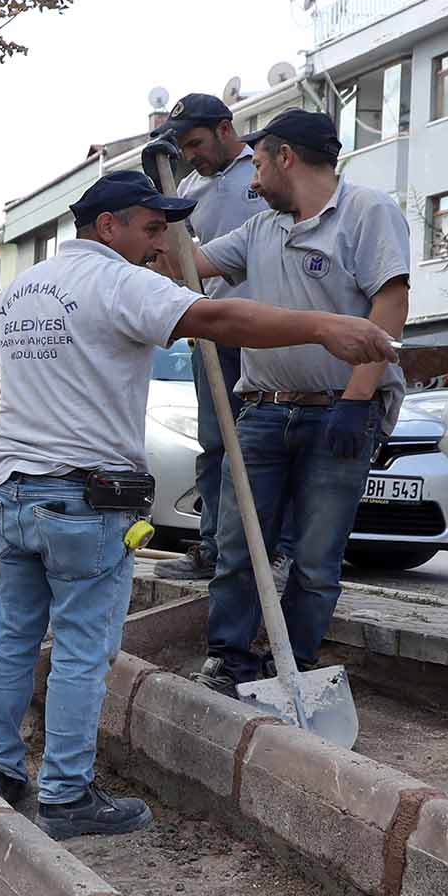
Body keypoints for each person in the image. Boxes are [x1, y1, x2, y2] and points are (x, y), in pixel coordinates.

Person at [0, 169, 400, 838]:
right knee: (83, 648)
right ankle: (67, 795)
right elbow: (218, 317)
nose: (159, 243)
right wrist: (323, 327)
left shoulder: (19, 292)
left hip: (17, 493)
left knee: (15, 635)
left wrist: (13, 448)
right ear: (107, 226)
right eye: (148, 227)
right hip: (85, 498)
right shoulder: (117, 282)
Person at [186, 107, 413, 698]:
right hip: (262, 411)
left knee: (315, 560)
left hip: (337, 413)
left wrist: (358, 400)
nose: (253, 180)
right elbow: (192, 266)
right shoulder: (261, 229)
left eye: (258, 164)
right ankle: (230, 661)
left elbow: (388, 306)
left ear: (286, 157)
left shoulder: (367, 212)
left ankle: (297, 667)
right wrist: (159, 218)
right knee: (239, 548)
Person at [145, 93, 264, 585]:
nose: (191, 155)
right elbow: (178, 263)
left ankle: (268, 552)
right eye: (183, 148)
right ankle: (213, 549)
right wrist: (160, 204)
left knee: (263, 446)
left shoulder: (261, 175)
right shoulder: (188, 189)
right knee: (215, 444)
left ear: (224, 128)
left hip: (269, 330)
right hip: (215, 332)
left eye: (195, 142)